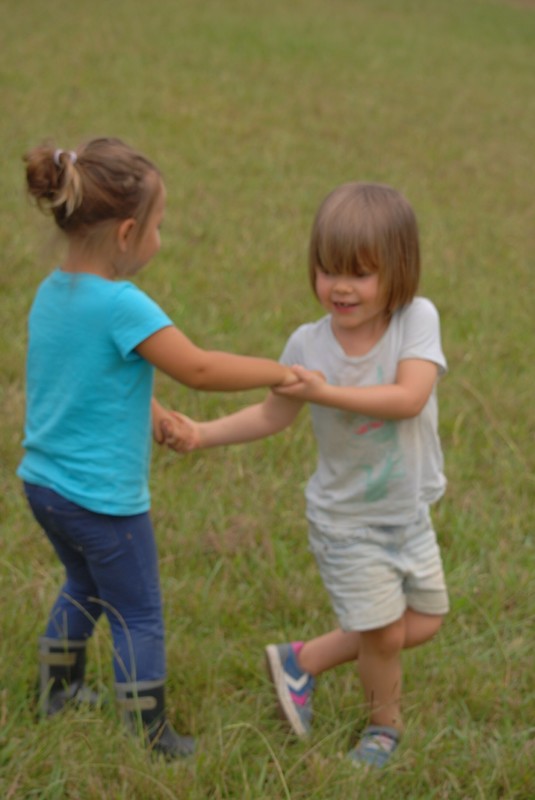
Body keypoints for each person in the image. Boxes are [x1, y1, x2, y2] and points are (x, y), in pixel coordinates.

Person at [17, 137, 299, 760]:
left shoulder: (52, 293)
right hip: (102, 502)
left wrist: (150, 412)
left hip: (44, 485)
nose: (160, 239)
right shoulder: (122, 305)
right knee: (138, 613)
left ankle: (55, 692)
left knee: (82, 584)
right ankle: (151, 735)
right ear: (125, 233)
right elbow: (196, 368)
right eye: (159, 227)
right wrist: (276, 372)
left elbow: (78, 379)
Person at [165, 182, 450, 768]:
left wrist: (330, 390)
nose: (340, 286)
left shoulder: (415, 320)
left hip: (407, 511)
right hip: (347, 520)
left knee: (423, 621)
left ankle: (304, 659)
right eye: (327, 270)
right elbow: (273, 413)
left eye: (360, 273)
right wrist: (202, 432)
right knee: (382, 636)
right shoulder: (307, 343)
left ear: (399, 272)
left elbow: (410, 398)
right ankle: (382, 729)